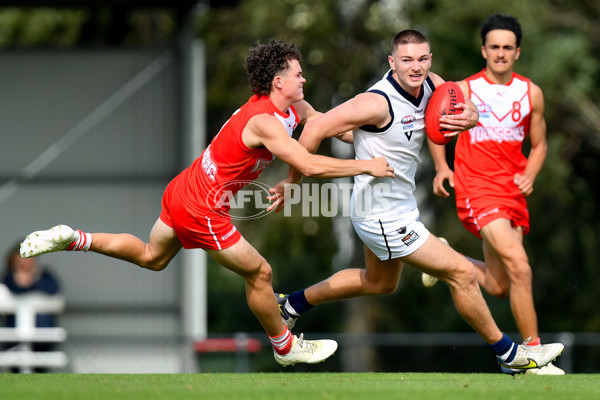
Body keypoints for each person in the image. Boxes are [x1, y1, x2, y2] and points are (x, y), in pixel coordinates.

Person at [19, 39, 395, 367]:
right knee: (260, 274)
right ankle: (285, 346)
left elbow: (328, 126)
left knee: (153, 257)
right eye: (298, 74)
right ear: (278, 82)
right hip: (203, 207)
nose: (304, 79)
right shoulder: (264, 121)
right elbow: (308, 163)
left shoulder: (295, 107)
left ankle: (74, 237)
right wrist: (368, 165)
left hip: (184, 188)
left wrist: (370, 131)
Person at [273, 30, 563, 374]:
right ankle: (509, 355)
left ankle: (291, 305)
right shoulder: (376, 102)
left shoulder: (433, 85)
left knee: (379, 282)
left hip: (398, 206)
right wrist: (293, 182)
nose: (416, 67)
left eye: (423, 59)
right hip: (379, 213)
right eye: (407, 60)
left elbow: (466, 107)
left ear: (430, 59)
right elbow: (315, 129)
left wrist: (469, 117)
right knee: (463, 273)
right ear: (392, 62)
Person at [425, 14, 564, 375]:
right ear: (483, 49)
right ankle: (532, 355)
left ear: (517, 52)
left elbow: (541, 144)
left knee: (501, 285)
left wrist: (531, 174)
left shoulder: (531, 92)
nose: (500, 53)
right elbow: (435, 126)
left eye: (507, 47)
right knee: (521, 267)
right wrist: (443, 167)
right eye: (494, 47)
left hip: (511, 191)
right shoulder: (464, 90)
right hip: (477, 187)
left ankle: (441, 259)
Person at [2, 242, 61, 372]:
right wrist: (23, 283)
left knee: (41, 370)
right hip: (14, 334)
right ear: (14, 259)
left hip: (43, 334)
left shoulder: (44, 275)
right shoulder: (8, 277)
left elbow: (53, 288)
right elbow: (13, 288)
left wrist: (30, 283)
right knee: (17, 370)